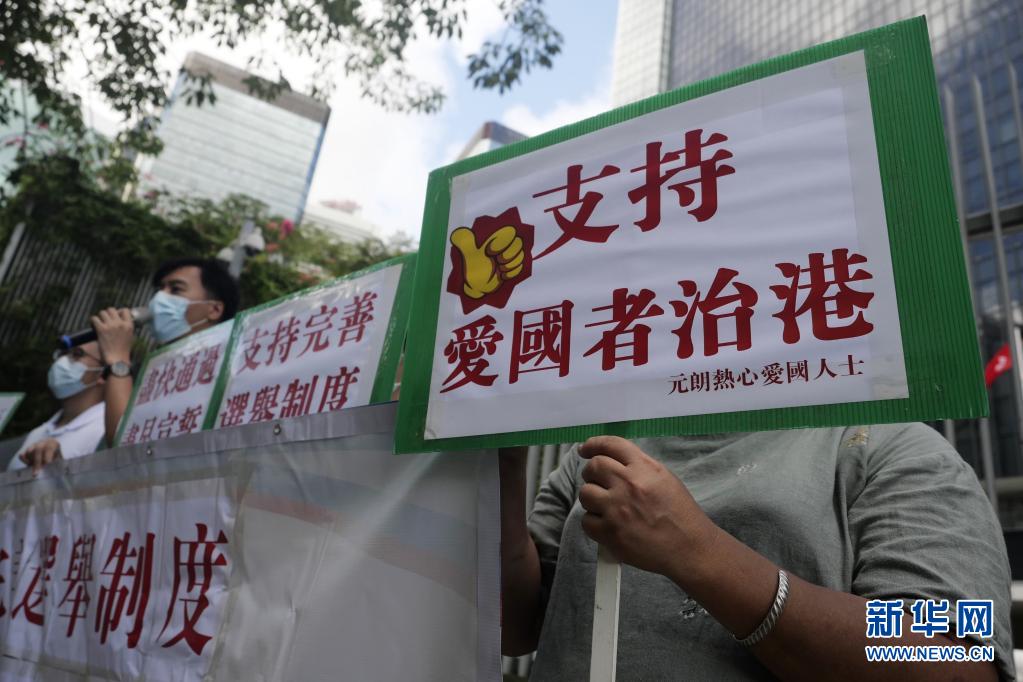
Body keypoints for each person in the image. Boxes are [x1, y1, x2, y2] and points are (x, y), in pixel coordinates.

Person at [500, 424, 1014, 681]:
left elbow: (957, 654)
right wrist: (502, 469)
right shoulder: (594, 453)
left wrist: (697, 553)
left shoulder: (882, 443)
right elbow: (517, 627)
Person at [93, 258, 240, 446]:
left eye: (175, 289)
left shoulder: (224, 373)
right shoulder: (151, 370)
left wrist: (118, 360)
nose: (159, 298)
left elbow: (125, 441)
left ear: (214, 309)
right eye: (159, 290)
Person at [9, 342, 107, 475]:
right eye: (63, 353)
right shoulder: (38, 432)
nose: (63, 360)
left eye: (77, 354)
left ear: (103, 374)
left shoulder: (107, 429)